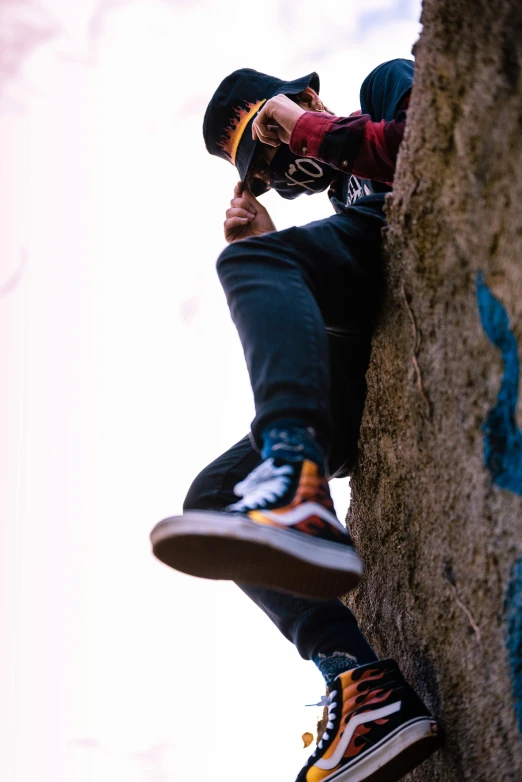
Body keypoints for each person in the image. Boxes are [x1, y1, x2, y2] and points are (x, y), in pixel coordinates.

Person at [150, 60, 440, 781]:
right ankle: (363, 690)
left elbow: (424, 146)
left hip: (382, 246)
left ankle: (294, 476)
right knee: (213, 499)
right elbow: (327, 290)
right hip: (355, 341)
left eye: (270, 147)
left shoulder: (380, 87)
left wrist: (305, 127)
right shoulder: (342, 199)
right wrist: (268, 239)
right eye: (260, 171)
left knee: (250, 270)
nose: (280, 170)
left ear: (303, 98)